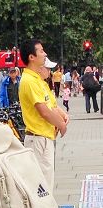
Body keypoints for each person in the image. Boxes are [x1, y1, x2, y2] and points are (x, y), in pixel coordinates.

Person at [19, 39, 69, 192]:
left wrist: (62, 116)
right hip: (38, 139)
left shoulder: (37, 80)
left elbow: (50, 105)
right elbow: (44, 111)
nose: (44, 53)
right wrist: (61, 125)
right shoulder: (29, 81)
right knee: (42, 187)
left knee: (46, 183)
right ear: (31, 57)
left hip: (44, 137)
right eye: (40, 51)